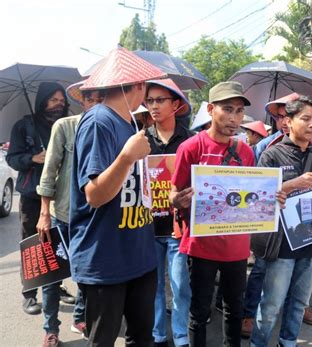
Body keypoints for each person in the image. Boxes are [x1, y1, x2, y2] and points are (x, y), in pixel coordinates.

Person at [170, 81, 284, 347]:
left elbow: (250, 196)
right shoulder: (190, 148)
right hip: (200, 246)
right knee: (199, 311)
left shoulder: (245, 152)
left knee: (234, 309)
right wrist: (179, 199)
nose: (234, 118)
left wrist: (271, 198)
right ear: (211, 110)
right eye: (228, 110)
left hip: (236, 246)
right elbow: (173, 194)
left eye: (239, 112)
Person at [69, 47, 165, 345]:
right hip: (106, 259)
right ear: (138, 85)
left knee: (142, 338)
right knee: (103, 340)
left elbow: (136, 190)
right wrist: (126, 158)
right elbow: (95, 195)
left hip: (139, 255)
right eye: (148, 88)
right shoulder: (99, 121)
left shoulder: (130, 124)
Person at [250, 95, 312, 347]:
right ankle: (259, 343)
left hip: (310, 244)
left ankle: (287, 342)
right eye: (306, 119)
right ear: (288, 121)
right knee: (271, 305)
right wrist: (291, 185)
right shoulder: (272, 155)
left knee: (299, 303)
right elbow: (258, 199)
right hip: (280, 246)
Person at [35, 81, 103, 345]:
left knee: (88, 275)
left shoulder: (110, 129)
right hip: (62, 215)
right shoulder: (64, 126)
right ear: (82, 101)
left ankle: (80, 316)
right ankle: (50, 329)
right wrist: (44, 213)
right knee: (53, 277)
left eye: (102, 99)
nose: (97, 105)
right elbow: (49, 171)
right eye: (91, 99)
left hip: (93, 218)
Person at [6, 82, 76, 322]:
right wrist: (33, 157)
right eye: (53, 99)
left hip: (62, 194)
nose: (59, 104)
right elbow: (13, 158)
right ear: (42, 101)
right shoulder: (24, 126)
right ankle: (29, 292)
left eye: (61, 100)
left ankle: (57, 286)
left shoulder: (69, 124)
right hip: (32, 195)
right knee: (32, 243)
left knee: (58, 245)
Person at [144, 78, 194, 347]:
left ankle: (182, 336)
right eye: (149, 100)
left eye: (159, 100)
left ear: (176, 104)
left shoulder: (190, 141)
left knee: (179, 284)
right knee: (153, 286)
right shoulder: (140, 140)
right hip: (148, 226)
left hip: (179, 227)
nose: (153, 106)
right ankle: (158, 335)